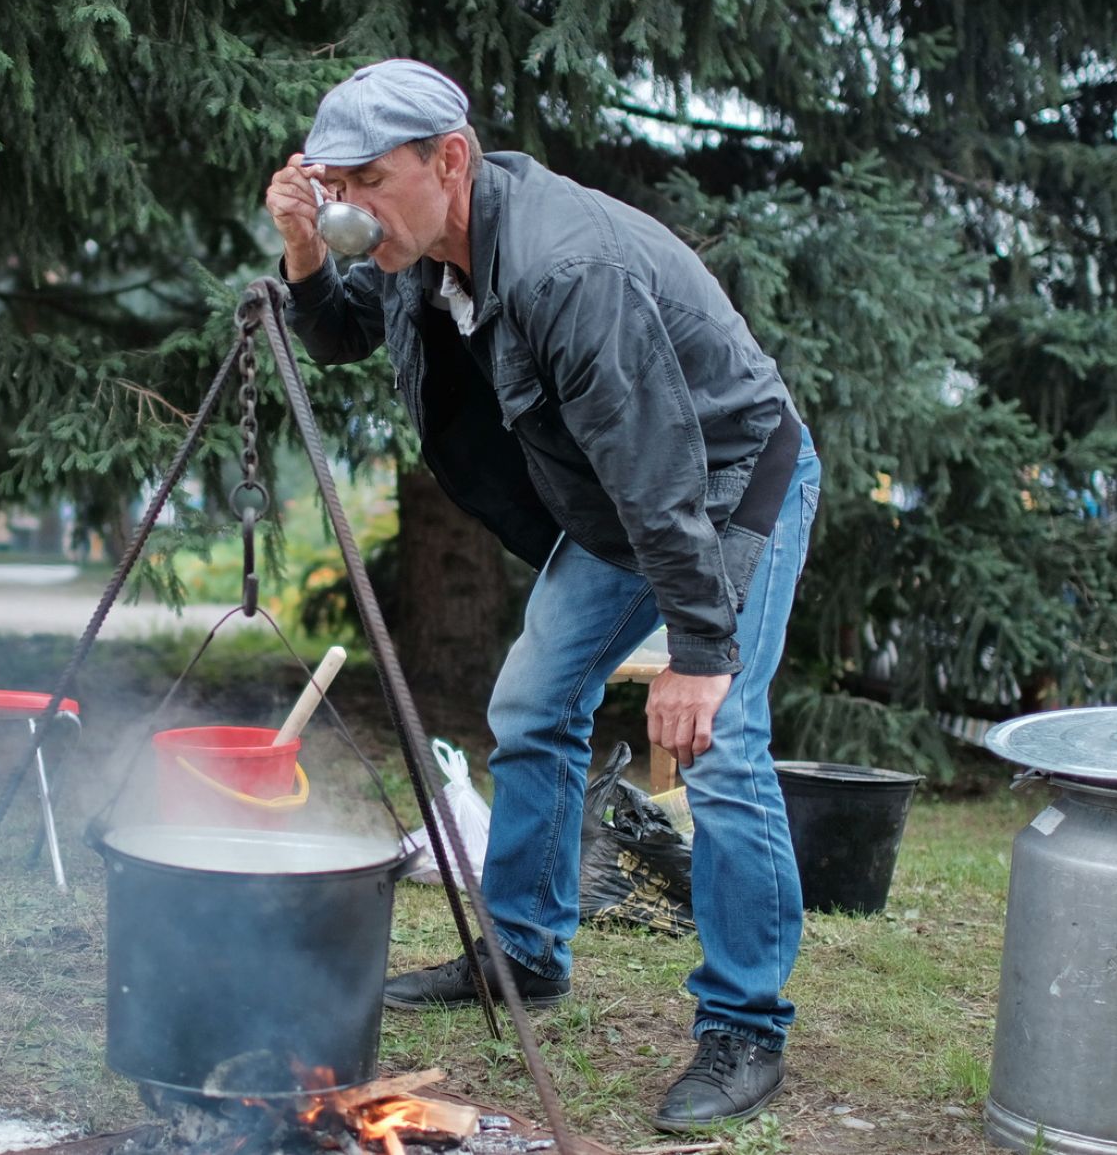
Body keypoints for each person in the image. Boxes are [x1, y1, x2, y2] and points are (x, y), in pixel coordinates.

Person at [263, 58, 823, 1133]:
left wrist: (700, 656)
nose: (350, 207)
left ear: (450, 158)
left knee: (723, 739)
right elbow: (337, 335)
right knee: (530, 706)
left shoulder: (569, 269)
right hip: (624, 501)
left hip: (726, 482)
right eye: (335, 182)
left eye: (367, 180)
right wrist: (302, 245)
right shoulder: (423, 244)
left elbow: (664, 469)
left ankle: (746, 1023)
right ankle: (522, 955)